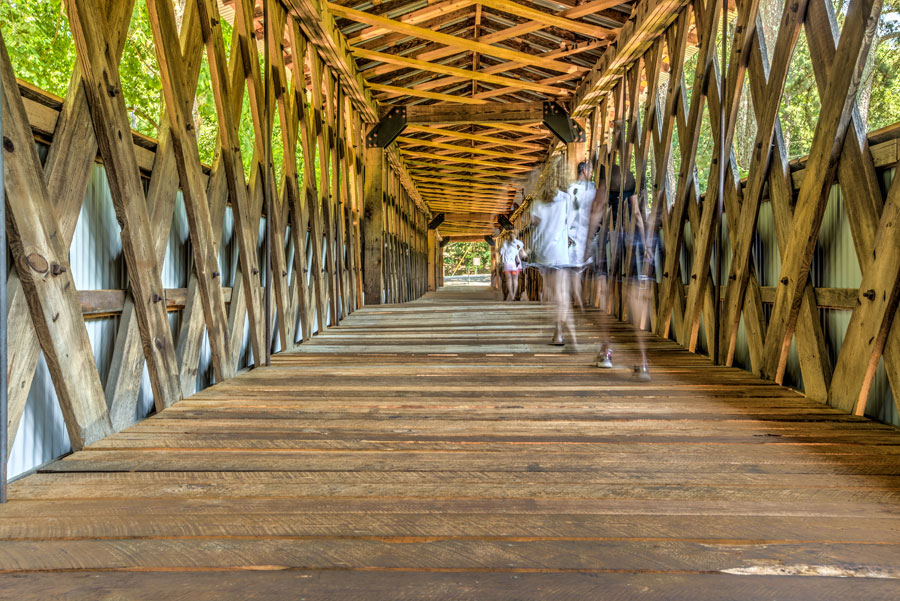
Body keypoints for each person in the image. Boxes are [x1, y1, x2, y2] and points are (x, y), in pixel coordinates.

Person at [531, 186, 576, 348]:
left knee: (550, 291)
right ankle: (558, 332)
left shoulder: (538, 199)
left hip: (544, 251)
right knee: (562, 294)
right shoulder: (566, 198)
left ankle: (552, 326)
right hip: (559, 250)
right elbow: (571, 221)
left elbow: (533, 221)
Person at [566, 160, 596, 311]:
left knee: (576, 271)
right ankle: (579, 301)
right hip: (583, 235)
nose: (592, 174)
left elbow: (567, 214)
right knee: (578, 270)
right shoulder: (591, 189)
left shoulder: (572, 189)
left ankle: (578, 300)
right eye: (591, 171)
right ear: (584, 171)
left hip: (577, 235)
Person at [499, 234, 525, 301]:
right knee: (515, 279)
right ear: (516, 236)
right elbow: (522, 253)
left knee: (509, 279)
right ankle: (514, 294)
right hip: (516, 264)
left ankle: (511, 295)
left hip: (507, 263)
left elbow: (501, 252)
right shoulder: (519, 243)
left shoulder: (506, 243)